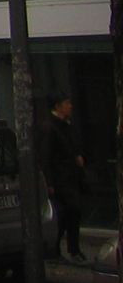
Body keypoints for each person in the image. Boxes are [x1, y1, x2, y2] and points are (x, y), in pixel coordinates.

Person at [40, 92, 88, 263]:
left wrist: (77, 157)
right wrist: (50, 182)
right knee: (66, 213)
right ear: (58, 106)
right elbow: (46, 157)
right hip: (61, 180)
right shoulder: (50, 127)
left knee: (72, 213)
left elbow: (72, 146)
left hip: (71, 178)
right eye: (67, 103)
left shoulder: (66, 126)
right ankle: (57, 250)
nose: (71, 106)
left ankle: (71, 249)